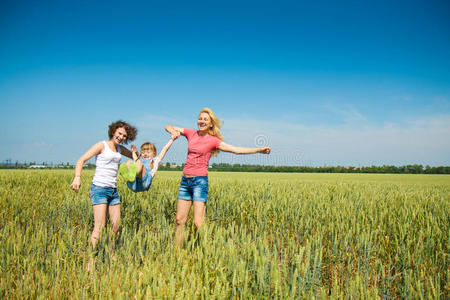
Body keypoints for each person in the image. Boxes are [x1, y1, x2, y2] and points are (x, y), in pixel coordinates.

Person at [165, 108, 271, 246]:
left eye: (205, 119)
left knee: (198, 223)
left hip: (199, 183)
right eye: (200, 118)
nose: (201, 121)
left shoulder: (213, 141)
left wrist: (258, 150)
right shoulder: (191, 133)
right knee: (179, 220)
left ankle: (206, 250)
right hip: (185, 182)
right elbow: (168, 126)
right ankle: (176, 254)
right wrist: (173, 131)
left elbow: (236, 150)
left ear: (210, 124)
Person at [70, 120, 137, 255]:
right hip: (99, 189)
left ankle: (110, 254)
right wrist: (77, 177)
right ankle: (90, 259)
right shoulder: (102, 145)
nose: (121, 137)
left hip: (113, 190)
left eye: (124, 136)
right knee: (99, 227)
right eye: (119, 133)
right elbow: (81, 160)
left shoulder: (119, 149)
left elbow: (135, 157)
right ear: (113, 131)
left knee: (116, 226)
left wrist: (135, 152)